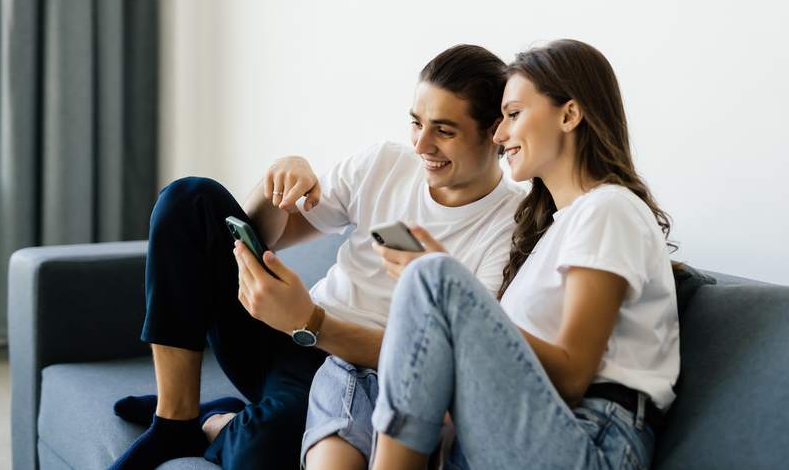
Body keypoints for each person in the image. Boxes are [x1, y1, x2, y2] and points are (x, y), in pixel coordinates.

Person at [109, 44, 525, 469]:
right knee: (189, 198)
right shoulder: (384, 163)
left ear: (495, 131)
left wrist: (310, 323)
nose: (421, 144)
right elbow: (270, 234)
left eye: (444, 131)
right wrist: (280, 183)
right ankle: (174, 421)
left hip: (362, 370)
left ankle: (214, 422)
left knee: (264, 446)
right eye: (416, 123)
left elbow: (453, 359)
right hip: (287, 333)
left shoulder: (513, 227)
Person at [370, 39, 680, 470]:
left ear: (569, 115)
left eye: (513, 115)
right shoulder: (555, 231)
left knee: (433, 277)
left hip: (591, 439)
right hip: (534, 429)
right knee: (432, 283)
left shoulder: (609, 208)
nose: (499, 135)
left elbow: (572, 378)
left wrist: (450, 290)